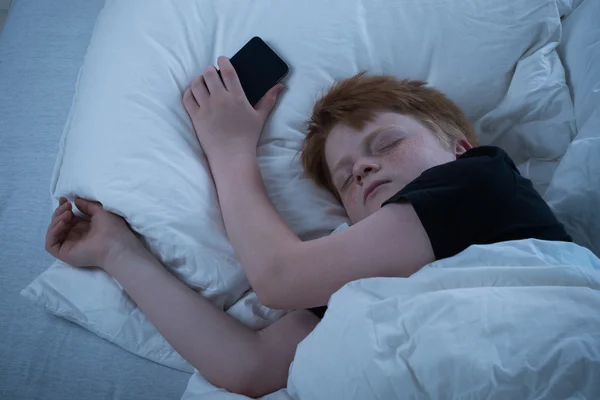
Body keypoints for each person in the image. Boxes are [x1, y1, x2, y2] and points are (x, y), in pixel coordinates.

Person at [44, 57, 571, 397]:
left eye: (386, 144)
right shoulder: (357, 273)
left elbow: (278, 277)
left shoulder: (484, 180)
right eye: (345, 180)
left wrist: (229, 149)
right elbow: (249, 367)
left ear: (460, 149)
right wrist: (118, 252)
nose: (363, 168)